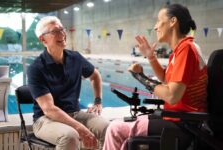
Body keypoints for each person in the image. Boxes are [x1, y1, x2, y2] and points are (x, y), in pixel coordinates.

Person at [103, 3, 207, 150]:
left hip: (183, 124)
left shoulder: (186, 49)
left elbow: (171, 95)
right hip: (177, 119)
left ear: (173, 22)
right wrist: (151, 57)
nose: (155, 26)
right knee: (124, 134)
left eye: (159, 21)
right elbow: (166, 79)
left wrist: (140, 78)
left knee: (115, 129)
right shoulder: (178, 51)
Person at [27, 16, 109, 150]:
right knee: (69, 136)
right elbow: (49, 109)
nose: (63, 34)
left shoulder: (75, 58)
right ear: (43, 39)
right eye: (55, 31)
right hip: (46, 120)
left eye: (62, 29)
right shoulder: (36, 68)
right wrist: (80, 127)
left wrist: (98, 101)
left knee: (108, 127)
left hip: (75, 114)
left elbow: (95, 76)